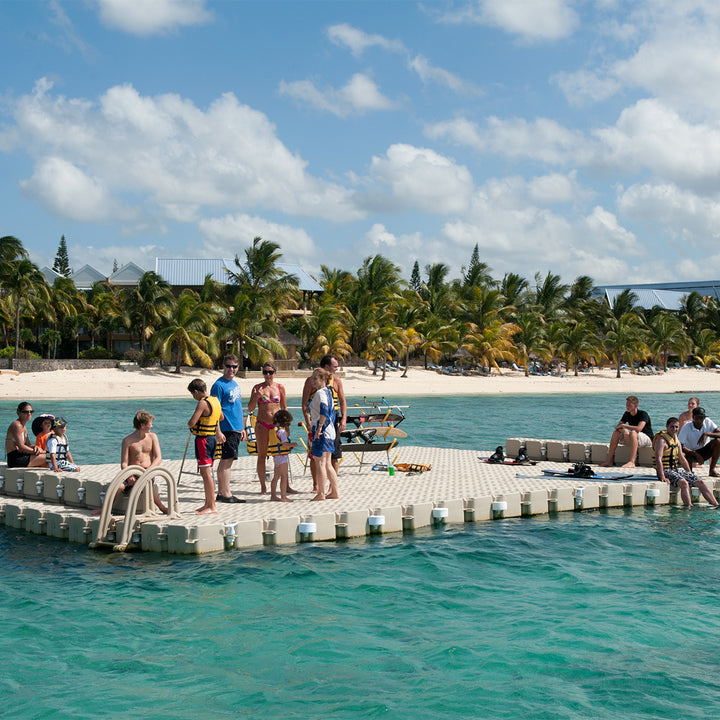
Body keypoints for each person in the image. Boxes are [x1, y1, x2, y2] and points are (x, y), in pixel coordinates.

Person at [301, 354, 347, 490]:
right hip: (316, 421)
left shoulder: (337, 381)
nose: (337, 369)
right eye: (335, 366)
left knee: (334, 456)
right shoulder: (311, 382)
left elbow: (343, 401)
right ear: (327, 367)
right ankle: (316, 485)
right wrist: (308, 422)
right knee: (315, 456)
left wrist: (343, 419)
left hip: (332, 420)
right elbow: (304, 404)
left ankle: (332, 488)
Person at [653, 417, 719, 508]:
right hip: (665, 470)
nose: (674, 429)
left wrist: (690, 473)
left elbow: (682, 459)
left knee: (700, 482)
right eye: (672, 427)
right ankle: (689, 506)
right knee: (684, 483)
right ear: (667, 426)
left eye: (676, 427)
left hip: (675, 469)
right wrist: (662, 476)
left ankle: (716, 505)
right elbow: (658, 459)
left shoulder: (676, 440)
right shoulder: (661, 441)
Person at [210, 354, 246, 504]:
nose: (231, 369)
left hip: (236, 427)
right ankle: (225, 493)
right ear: (223, 366)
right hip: (226, 428)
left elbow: (237, 407)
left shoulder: (235, 384)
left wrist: (242, 427)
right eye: (228, 366)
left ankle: (223, 492)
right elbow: (214, 409)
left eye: (234, 367)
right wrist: (218, 431)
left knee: (228, 460)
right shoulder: (218, 385)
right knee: (227, 460)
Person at [248, 361, 288, 495]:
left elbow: (284, 408)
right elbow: (250, 408)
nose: (268, 375)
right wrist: (256, 396)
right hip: (262, 425)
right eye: (265, 372)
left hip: (276, 426)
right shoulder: (257, 388)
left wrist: (286, 426)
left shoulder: (280, 387)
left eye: (270, 372)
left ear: (275, 373)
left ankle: (285, 485)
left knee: (282, 454)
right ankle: (263, 487)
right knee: (262, 455)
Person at [119, 411, 169, 514]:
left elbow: (158, 458)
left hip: (147, 471)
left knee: (144, 482)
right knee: (119, 486)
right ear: (142, 425)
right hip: (132, 472)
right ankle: (105, 509)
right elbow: (124, 463)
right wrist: (129, 475)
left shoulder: (152, 437)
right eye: (150, 424)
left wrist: (148, 470)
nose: (152, 426)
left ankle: (161, 507)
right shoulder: (127, 441)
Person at [188, 378, 225, 515]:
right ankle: (208, 503)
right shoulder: (215, 401)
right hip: (212, 439)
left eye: (193, 395)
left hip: (203, 440)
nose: (194, 398)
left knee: (206, 474)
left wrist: (190, 424)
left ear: (196, 391)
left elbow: (192, 422)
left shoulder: (202, 403)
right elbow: (220, 417)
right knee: (207, 472)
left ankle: (212, 505)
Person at [306, 368, 339, 501]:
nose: (312, 381)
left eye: (315, 378)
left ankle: (321, 493)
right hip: (330, 431)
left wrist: (319, 427)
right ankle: (334, 491)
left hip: (323, 431)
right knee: (327, 464)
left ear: (323, 379)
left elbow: (324, 409)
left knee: (320, 462)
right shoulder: (328, 392)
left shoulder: (320, 393)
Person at [600, 395, 653, 468]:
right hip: (633, 438)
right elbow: (617, 427)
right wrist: (624, 430)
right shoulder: (626, 414)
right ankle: (609, 461)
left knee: (633, 432)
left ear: (636, 405)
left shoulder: (643, 414)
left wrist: (625, 426)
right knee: (616, 433)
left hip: (646, 439)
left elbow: (639, 429)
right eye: (626, 405)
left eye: (629, 405)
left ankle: (632, 462)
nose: (627, 407)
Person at [678, 406, 720, 477]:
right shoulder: (687, 427)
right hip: (690, 452)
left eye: (701, 418)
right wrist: (695, 454)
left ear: (704, 418)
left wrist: (707, 434)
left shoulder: (708, 422)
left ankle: (712, 470)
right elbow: (680, 445)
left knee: (718, 441)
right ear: (693, 418)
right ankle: (689, 472)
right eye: (697, 418)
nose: (699, 421)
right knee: (683, 454)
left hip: (704, 450)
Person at [5, 402, 46, 468]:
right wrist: (36, 452)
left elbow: (27, 445)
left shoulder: (24, 427)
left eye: (31, 411)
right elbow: (21, 446)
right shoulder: (16, 425)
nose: (29, 414)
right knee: (49, 457)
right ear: (19, 412)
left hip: (22, 455)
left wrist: (36, 448)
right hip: (15, 459)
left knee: (49, 455)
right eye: (25, 412)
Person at [270, 409, 296, 503]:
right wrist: (293, 444)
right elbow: (285, 444)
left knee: (276, 476)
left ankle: (273, 495)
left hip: (276, 457)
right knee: (284, 476)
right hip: (282, 457)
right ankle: (283, 496)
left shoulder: (273, 430)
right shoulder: (281, 432)